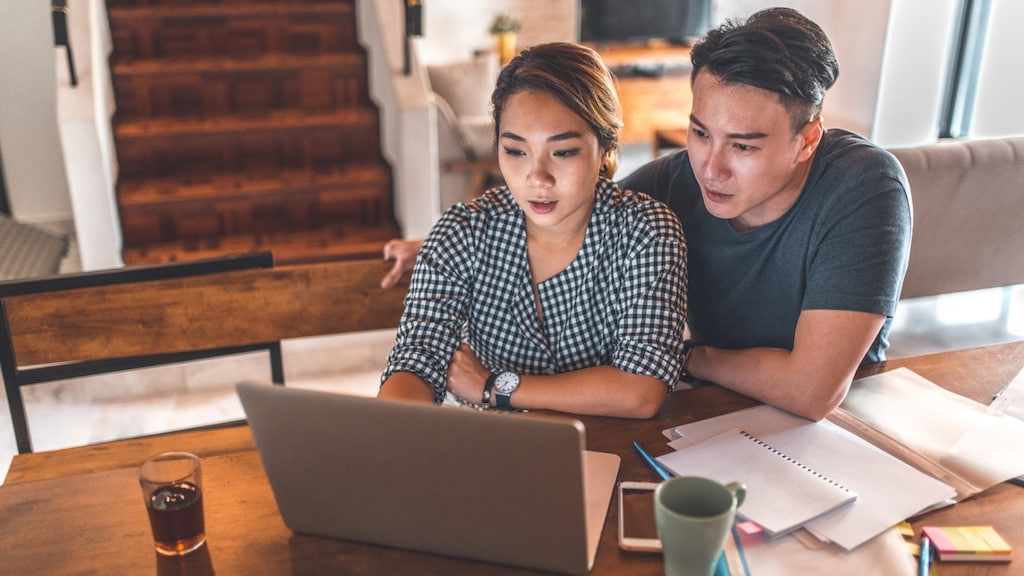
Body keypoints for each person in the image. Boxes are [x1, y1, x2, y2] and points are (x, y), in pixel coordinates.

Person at [379, 9, 912, 422]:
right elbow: (565, 211)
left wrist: (682, 358)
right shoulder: (674, 182)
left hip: (837, 429)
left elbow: (811, 391)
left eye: (743, 147)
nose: (711, 168)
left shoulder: (863, 186)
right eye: (700, 132)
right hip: (707, 416)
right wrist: (436, 245)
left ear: (806, 141)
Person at [377, 42, 688, 418]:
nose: (536, 178)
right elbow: (417, 360)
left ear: (606, 147)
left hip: (612, 447)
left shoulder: (646, 233)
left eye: (564, 151)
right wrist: (389, 433)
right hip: (496, 450)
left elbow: (641, 389)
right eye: (515, 151)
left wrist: (494, 386)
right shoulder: (461, 233)